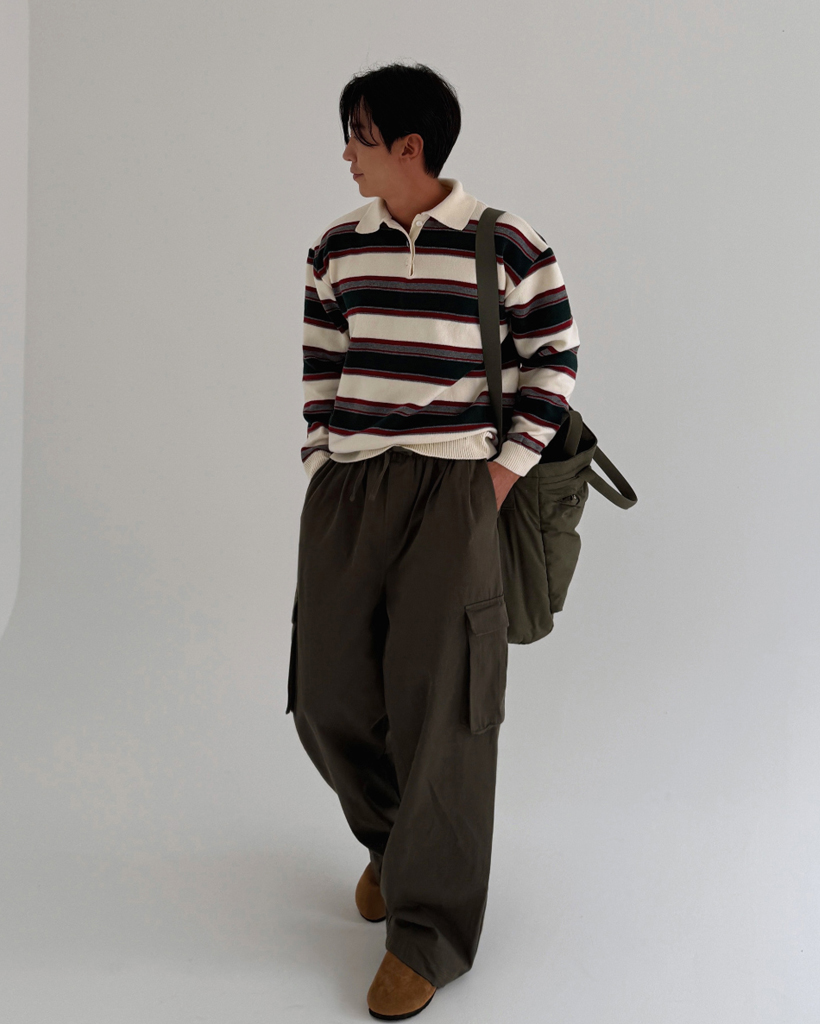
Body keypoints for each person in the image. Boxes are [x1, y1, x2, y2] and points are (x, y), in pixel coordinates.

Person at [286, 60, 579, 1020]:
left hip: (457, 488)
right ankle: (392, 844)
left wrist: (501, 474)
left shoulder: (507, 242)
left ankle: (428, 934)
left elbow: (555, 358)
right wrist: (322, 461)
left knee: (445, 706)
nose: (347, 154)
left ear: (410, 146)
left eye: (360, 136)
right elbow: (322, 362)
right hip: (350, 488)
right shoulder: (337, 247)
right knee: (325, 691)